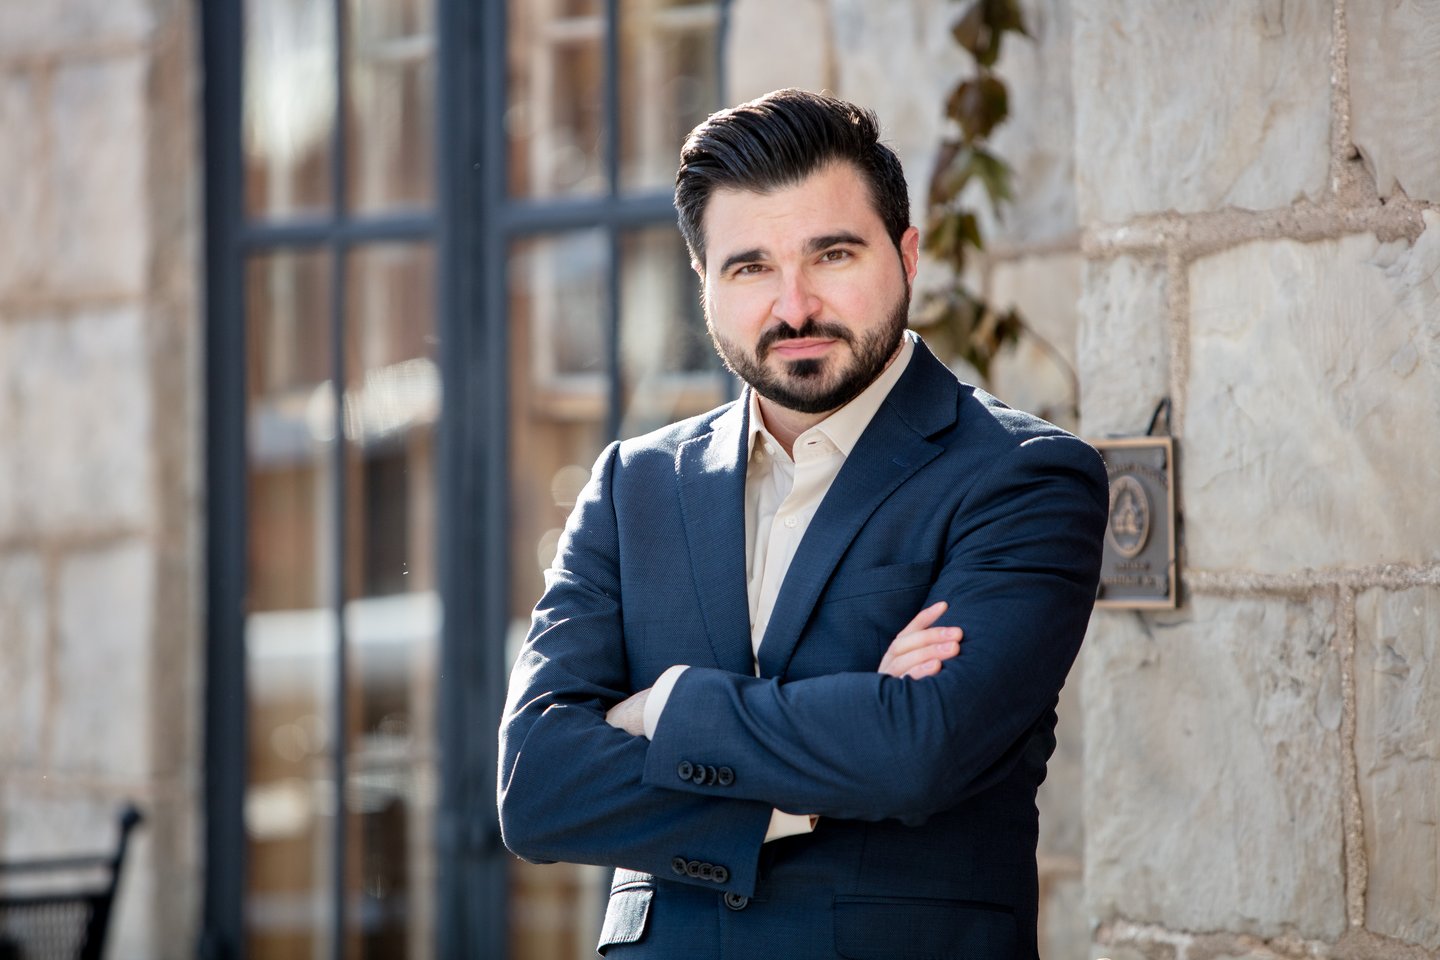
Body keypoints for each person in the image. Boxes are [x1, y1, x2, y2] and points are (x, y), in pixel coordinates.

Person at [498, 88, 1108, 959]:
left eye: (831, 255)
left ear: (907, 254)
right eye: (750, 268)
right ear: (704, 282)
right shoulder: (634, 485)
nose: (794, 307)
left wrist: (664, 708)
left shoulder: (1024, 478)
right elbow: (540, 785)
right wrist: (842, 734)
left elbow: (920, 750)